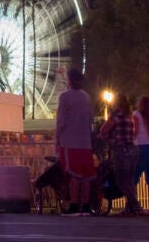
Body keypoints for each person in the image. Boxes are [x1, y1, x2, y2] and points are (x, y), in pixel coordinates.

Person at [55, 67, 96, 216]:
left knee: (74, 175)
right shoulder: (86, 97)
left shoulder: (64, 97)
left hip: (70, 141)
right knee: (86, 175)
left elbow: (61, 121)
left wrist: (57, 138)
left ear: (69, 80)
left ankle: (73, 205)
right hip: (86, 142)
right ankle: (85, 206)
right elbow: (91, 119)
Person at [100, 93, 143, 216]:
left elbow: (104, 129)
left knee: (121, 181)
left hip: (122, 150)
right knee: (129, 182)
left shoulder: (116, 115)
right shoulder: (129, 115)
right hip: (133, 150)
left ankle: (136, 206)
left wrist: (103, 136)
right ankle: (130, 208)